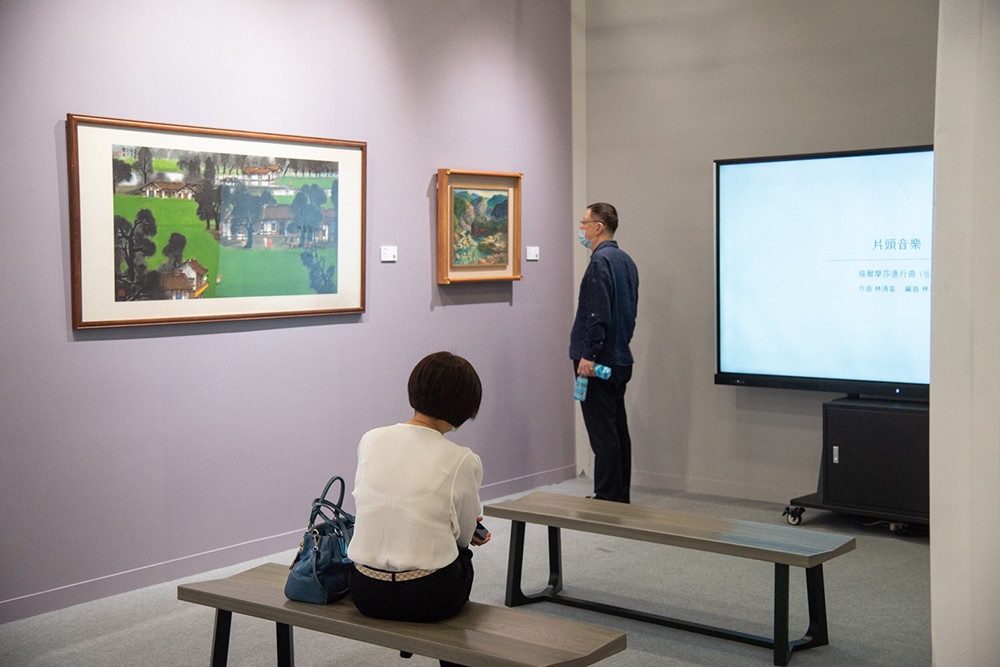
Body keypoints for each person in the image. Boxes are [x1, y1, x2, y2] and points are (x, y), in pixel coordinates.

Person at [348, 351, 490, 667]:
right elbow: (463, 537)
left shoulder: (370, 440)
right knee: (461, 555)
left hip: (365, 590)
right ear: (465, 407)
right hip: (429, 596)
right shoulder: (463, 459)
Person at [570, 202, 639, 503]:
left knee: (602, 433)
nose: (581, 229)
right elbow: (628, 314)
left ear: (599, 227)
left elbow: (597, 314)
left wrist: (589, 354)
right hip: (620, 358)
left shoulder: (600, 262)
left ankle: (607, 498)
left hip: (598, 362)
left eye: (584, 223)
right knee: (617, 429)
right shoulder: (626, 261)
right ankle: (619, 495)